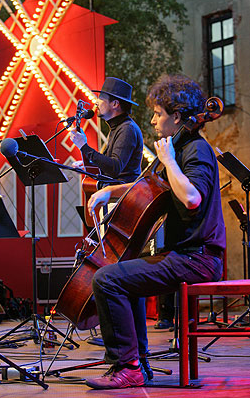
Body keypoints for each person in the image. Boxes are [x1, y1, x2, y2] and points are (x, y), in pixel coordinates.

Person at [84, 74, 226, 389]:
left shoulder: (196, 151)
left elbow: (191, 198)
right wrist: (112, 192)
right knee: (120, 275)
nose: (152, 120)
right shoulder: (179, 148)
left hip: (198, 258)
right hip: (183, 254)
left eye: (158, 114)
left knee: (106, 279)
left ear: (177, 117)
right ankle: (138, 363)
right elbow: (151, 189)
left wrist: (169, 161)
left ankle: (128, 367)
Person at [70, 77, 153, 379]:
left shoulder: (127, 129)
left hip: (122, 209)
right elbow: (111, 166)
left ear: (115, 104)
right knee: (122, 280)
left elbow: (117, 168)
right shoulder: (118, 129)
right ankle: (135, 356)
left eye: (102, 98)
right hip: (116, 207)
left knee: (123, 281)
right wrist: (88, 160)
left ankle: (135, 357)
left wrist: (86, 149)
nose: (97, 103)